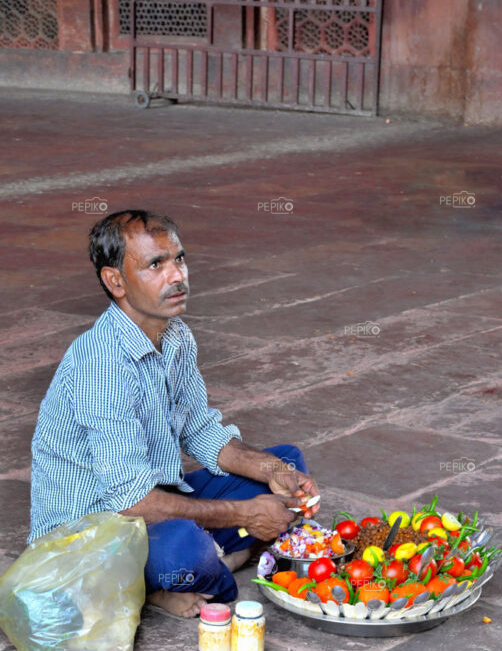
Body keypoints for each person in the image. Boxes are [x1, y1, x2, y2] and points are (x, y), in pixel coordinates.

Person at [29, 209, 319, 617]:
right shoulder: (101, 363)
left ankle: (214, 561)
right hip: (90, 538)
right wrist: (245, 515)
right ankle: (190, 574)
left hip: (150, 504)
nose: (177, 276)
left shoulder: (176, 336)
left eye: (179, 259)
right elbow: (130, 501)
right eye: (155, 265)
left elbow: (201, 432)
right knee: (184, 548)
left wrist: (273, 470)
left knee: (287, 462)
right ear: (116, 282)